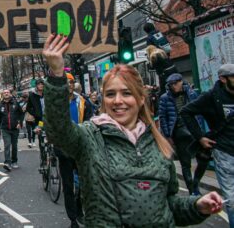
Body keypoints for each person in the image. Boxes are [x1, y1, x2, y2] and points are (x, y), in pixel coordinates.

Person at [43, 34, 223, 227]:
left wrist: (197, 206)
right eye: (110, 94)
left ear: (140, 99)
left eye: (126, 93)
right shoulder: (90, 137)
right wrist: (56, 74)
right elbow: (58, 131)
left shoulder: (158, 143)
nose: (118, 100)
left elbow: (170, 204)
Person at [180, 63, 234, 225]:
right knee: (232, 199)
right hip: (224, 152)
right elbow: (186, 112)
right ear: (223, 79)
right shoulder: (211, 97)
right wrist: (200, 137)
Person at [158, 73, 208, 195]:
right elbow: (162, 117)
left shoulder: (191, 94)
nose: (173, 86)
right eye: (171, 84)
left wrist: (201, 132)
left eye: (176, 83)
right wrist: (168, 136)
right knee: (185, 164)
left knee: (203, 160)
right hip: (179, 132)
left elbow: (199, 112)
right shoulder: (165, 98)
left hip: (194, 131)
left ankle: (195, 184)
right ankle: (192, 190)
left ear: (181, 82)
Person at [56, 72, 93, 227]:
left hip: (80, 148)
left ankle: (79, 210)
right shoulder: (56, 103)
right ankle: (72, 218)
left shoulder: (83, 102)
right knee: (68, 185)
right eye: (65, 83)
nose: (69, 85)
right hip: (64, 150)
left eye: (71, 82)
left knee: (85, 183)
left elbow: (90, 122)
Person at [0, 89, 24, 171]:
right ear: (2, 95)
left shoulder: (15, 103)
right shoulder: (0, 105)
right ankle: (7, 162)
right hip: (5, 129)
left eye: (7, 92)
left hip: (15, 128)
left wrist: (20, 123)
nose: (6, 93)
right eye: (4, 93)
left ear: (10, 94)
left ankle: (14, 161)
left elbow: (21, 114)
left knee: (14, 146)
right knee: (7, 145)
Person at [28, 78, 46, 166]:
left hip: (49, 118)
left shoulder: (47, 94)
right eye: (39, 84)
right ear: (36, 86)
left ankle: (52, 156)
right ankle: (43, 159)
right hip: (40, 120)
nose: (41, 86)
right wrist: (35, 113)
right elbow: (28, 107)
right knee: (41, 137)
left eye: (42, 84)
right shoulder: (32, 95)